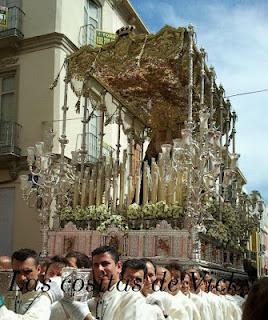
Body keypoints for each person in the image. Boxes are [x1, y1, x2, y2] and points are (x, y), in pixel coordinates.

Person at [86, 246, 164, 320]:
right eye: (95, 265)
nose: (100, 269)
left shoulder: (132, 297)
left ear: (119, 267)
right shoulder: (91, 303)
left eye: (105, 264)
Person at [0, 248, 63, 320]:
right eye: (17, 272)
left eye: (27, 272)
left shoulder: (50, 299)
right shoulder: (10, 293)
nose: (22, 278)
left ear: (38, 269)